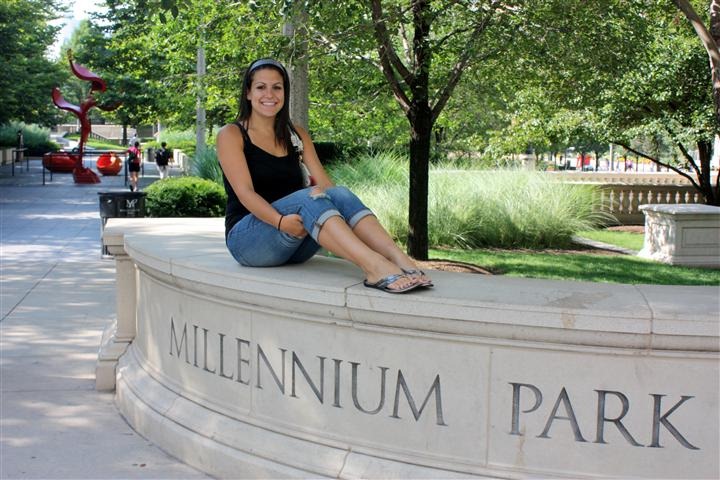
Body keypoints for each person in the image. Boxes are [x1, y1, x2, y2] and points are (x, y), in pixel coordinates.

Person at [217, 58, 432, 293]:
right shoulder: (232, 134)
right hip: (249, 241)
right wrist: (280, 222)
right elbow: (245, 193)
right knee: (307, 197)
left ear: (285, 93)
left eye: (277, 87)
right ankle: (374, 266)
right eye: (261, 87)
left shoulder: (296, 135)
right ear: (248, 93)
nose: (270, 94)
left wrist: (325, 207)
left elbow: (327, 186)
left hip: (295, 241)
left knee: (338, 193)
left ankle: (398, 259)